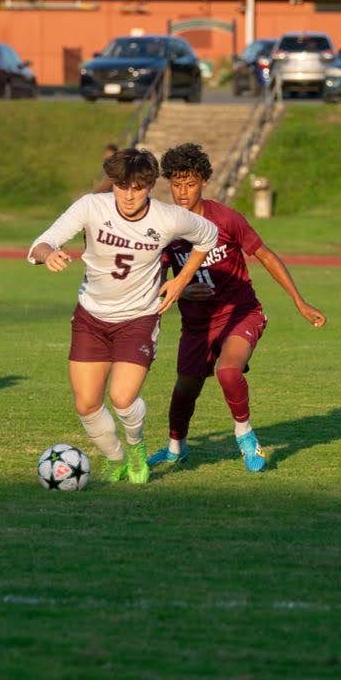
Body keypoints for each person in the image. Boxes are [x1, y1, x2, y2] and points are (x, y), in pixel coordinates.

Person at [28, 148, 218, 485]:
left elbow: (209, 235)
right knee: (87, 404)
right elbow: (41, 243)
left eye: (138, 188)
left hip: (138, 318)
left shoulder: (168, 217)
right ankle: (115, 458)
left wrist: (180, 281)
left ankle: (135, 447)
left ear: (150, 187)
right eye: (121, 186)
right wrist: (49, 255)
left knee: (122, 397)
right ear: (113, 183)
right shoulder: (91, 207)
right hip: (91, 318)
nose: (129, 196)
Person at [148, 143, 326, 473]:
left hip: (240, 314)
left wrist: (299, 301)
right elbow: (155, 282)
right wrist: (183, 292)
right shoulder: (166, 229)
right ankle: (176, 449)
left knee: (228, 371)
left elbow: (265, 255)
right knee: (185, 389)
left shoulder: (225, 219)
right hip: (197, 325)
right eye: (176, 184)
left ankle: (245, 436)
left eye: (190, 184)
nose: (183, 192)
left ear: (204, 182)